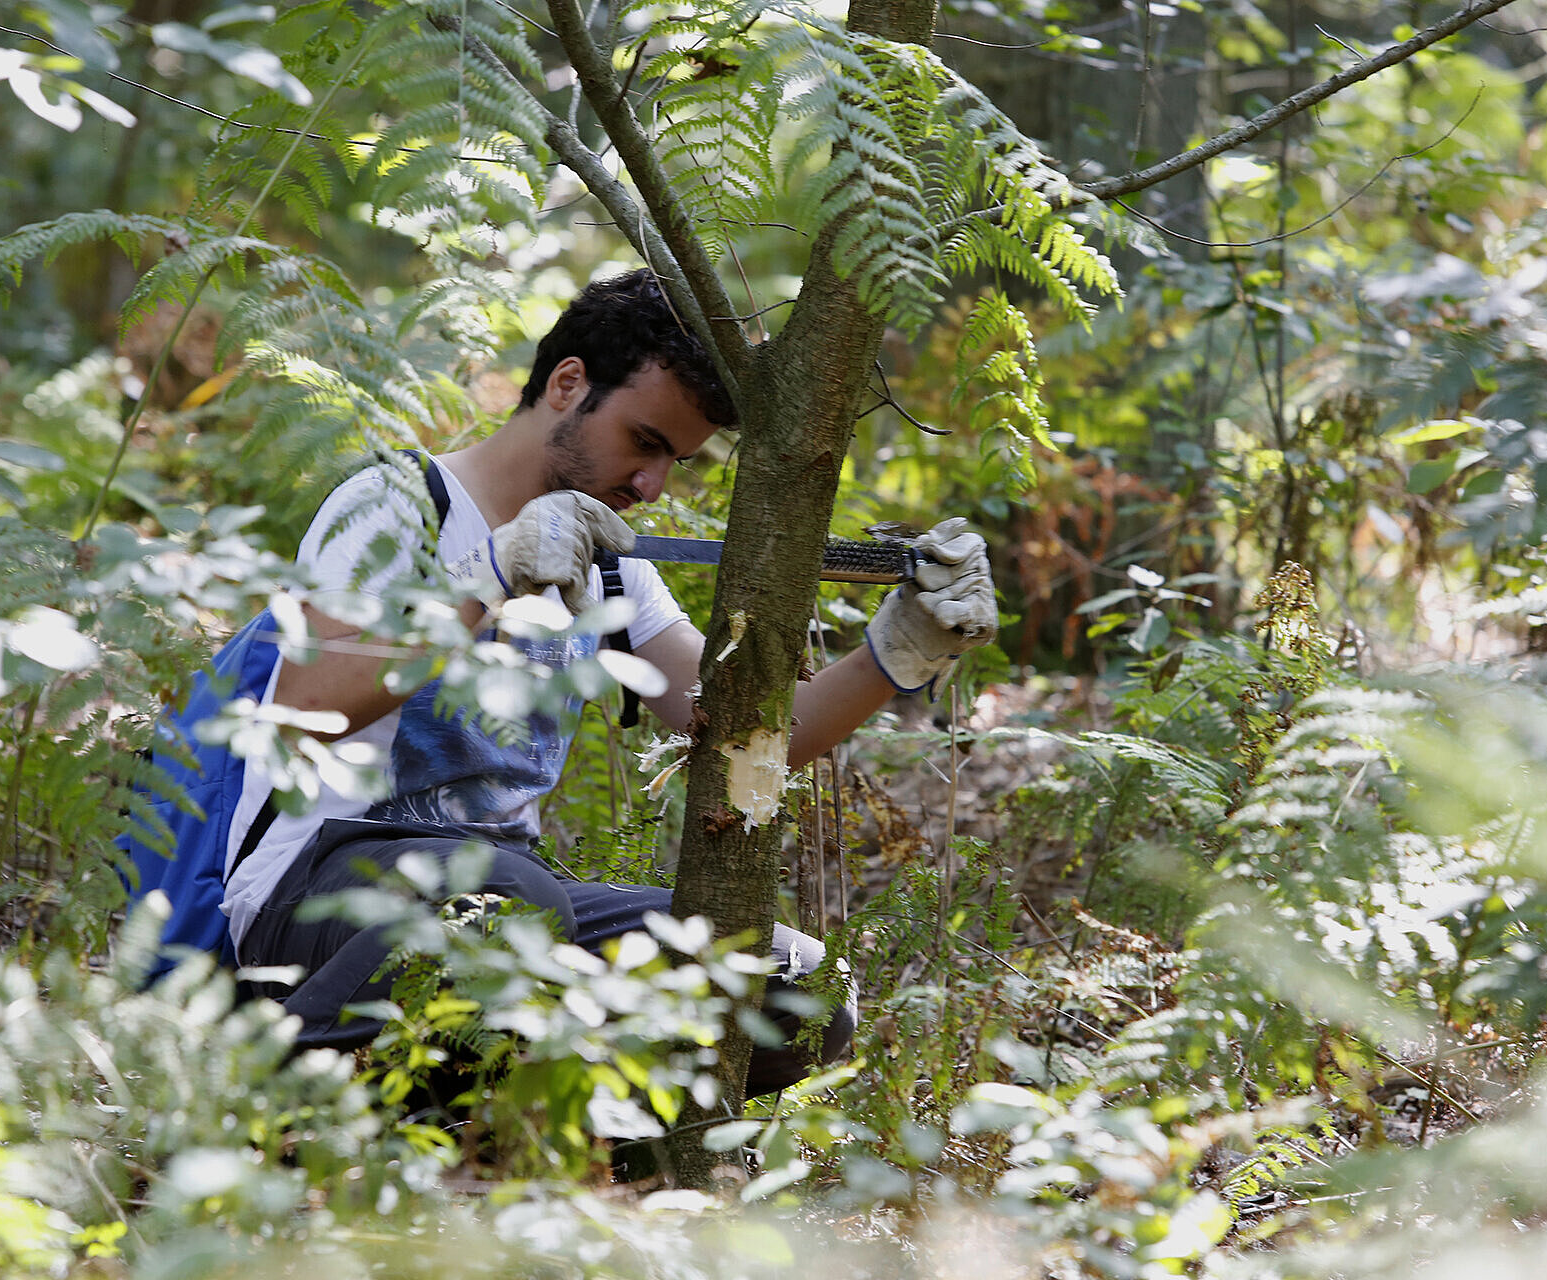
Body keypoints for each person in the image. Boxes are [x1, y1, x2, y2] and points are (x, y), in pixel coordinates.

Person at [218, 268, 997, 1097]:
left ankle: (521, 1149)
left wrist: (899, 651)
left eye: (677, 461)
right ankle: (266, 1099)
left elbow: (752, 731)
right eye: (645, 441)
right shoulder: (395, 504)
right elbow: (306, 712)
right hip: (312, 898)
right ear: (567, 384)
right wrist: (491, 575)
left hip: (507, 908)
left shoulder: (610, 563)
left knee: (796, 989)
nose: (652, 484)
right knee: (508, 902)